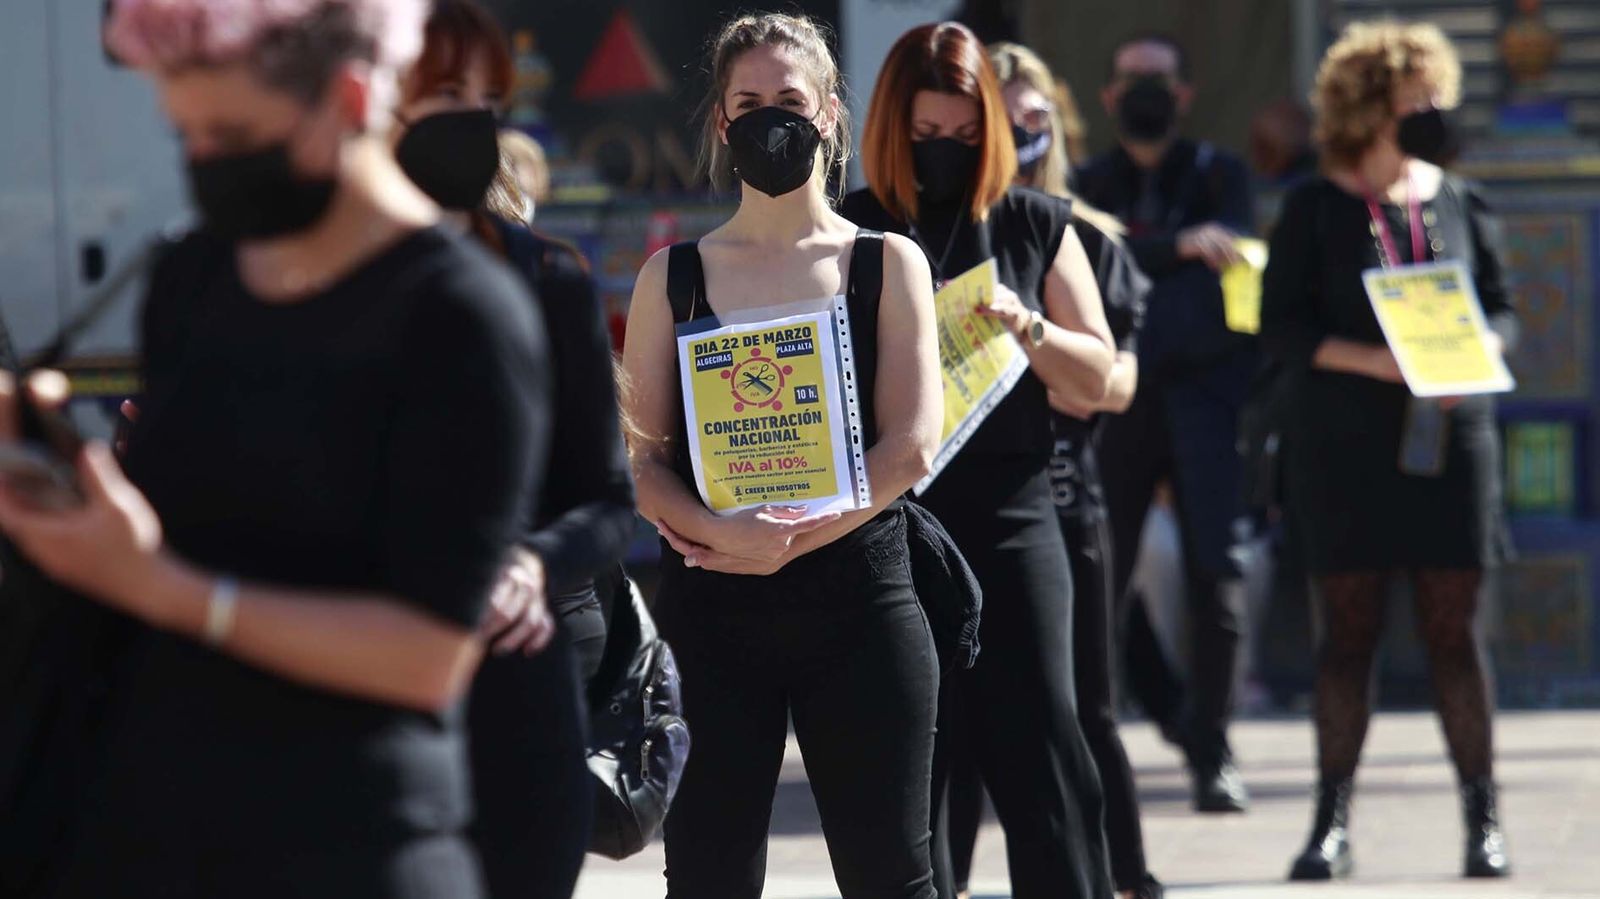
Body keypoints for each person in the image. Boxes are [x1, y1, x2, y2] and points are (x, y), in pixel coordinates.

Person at [0, 1, 551, 895]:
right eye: (184, 134)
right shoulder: (193, 275)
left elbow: (426, 655)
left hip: (350, 845)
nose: (203, 161)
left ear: (349, 98)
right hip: (155, 826)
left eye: (230, 134)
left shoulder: (462, 317)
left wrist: (158, 585)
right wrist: (58, 485)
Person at [620, 12, 943, 898]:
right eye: (750, 102)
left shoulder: (887, 262)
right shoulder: (671, 276)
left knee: (892, 877)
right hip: (712, 612)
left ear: (830, 112)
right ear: (722, 122)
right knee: (707, 879)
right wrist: (727, 536)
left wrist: (791, 538)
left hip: (863, 602)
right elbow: (641, 461)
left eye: (791, 102)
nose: (772, 119)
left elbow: (913, 443)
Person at [841, 22, 1118, 899]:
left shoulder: (1034, 223)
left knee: (1043, 746)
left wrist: (1029, 327)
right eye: (926, 135)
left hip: (1013, 516)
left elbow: (1101, 377)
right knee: (909, 764)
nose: (946, 153)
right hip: (893, 524)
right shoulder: (851, 229)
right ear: (893, 129)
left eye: (965, 135)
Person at [391, 2, 637, 895]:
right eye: (440, 92)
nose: (467, 118)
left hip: (521, 676)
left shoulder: (548, 278)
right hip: (365, 688)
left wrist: (534, 564)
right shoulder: (291, 277)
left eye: (484, 98)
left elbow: (608, 501)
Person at [1261, 20, 1515, 881]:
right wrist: (1374, 359)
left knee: (1455, 634)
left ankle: (1484, 821)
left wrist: (1484, 347)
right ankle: (1330, 824)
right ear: (1370, 107)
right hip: (1344, 447)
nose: (1434, 113)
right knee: (1348, 636)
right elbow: (1281, 327)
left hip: (1451, 442)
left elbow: (1503, 306)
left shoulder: (1462, 200)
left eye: (1439, 99)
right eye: (1417, 101)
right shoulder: (1313, 206)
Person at [936, 39, 1162, 899]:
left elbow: (1113, 383)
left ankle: (1124, 877)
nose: (1021, 129)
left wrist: (1035, 338)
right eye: (1005, 114)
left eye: (1035, 116)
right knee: (957, 726)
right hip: (968, 495)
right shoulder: (941, 229)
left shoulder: (1081, 235)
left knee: (1079, 713)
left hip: (1064, 499)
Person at [1074, 32, 1257, 814]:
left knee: (1219, 575)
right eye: (1131, 80)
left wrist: (1150, 253)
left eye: (1159, 79)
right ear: (1109, 96)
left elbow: (1238, 259)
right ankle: (1143, 722)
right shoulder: (1086, 182)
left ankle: (1212, 747)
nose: (1145, 93)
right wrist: (1181, 248)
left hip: (1207, 401)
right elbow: (1092, 256)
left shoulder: (1221, 175)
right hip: (1116, 401)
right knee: (1099, 578)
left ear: (1183, 93)